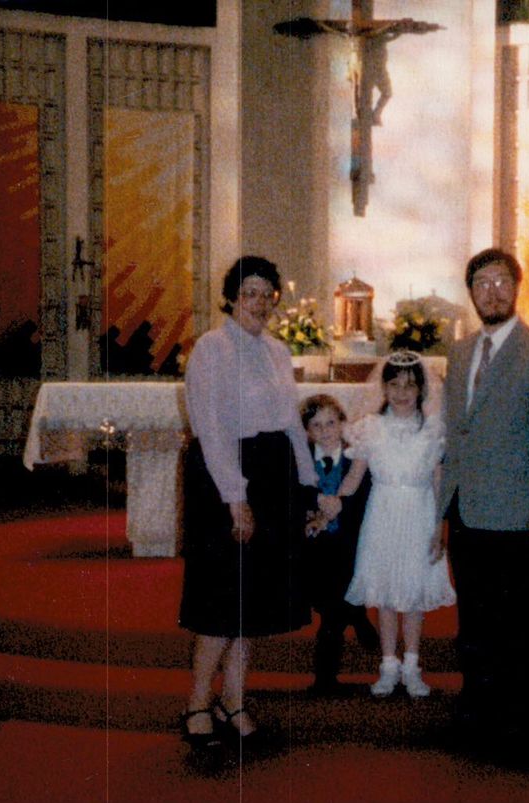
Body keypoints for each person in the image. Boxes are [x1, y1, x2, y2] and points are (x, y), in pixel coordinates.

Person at [438, 248, 529, 766]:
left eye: (501, 282)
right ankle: (477, 712)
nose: (491, 292)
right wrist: (440, 512)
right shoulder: (459, 352)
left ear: (516, 289)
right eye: (481, 283)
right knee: (473, 620)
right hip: (468, 510)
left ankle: (522, 724)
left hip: (518, 511)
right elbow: (457, 435)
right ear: (470, 292)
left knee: (517, 622)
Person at [178, 256, 317, 754]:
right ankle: (197, 702)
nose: (258, 302)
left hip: (272, 476)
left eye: (266, 294)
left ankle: (233, 701)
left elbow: (291, 426)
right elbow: (210, 429)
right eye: (249, 292)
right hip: (226, 478)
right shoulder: (211, 349)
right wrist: (235, 498)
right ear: (232, 296)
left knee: (250, 601)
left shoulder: (278, 351)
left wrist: (309, 488)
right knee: (222, 600)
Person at [324, 351, 456, 698]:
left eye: (409, 386)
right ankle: (388, 665)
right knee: (384, 594)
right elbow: (355, 476)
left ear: (421, 389)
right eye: (394, 385)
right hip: (382, 513)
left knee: (412, 593)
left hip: (419, 512)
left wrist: (439, 525)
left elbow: (439, 481)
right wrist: (333, 501)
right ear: (383, 387)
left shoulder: (433, 429)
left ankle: (412, 666)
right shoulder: (371, 427)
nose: (401, 393)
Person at [300, 394, 379, 695]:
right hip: (315, 545)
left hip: (348, 542)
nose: (325, 431)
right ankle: (357, 616)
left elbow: (363, 498)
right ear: (307, 430)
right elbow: (297, 493)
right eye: (316, 425)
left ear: (343, 424)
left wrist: (341, 507)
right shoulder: (302, 458)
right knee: (326, 601)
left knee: (332, 613)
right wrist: (310, 514)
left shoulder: (355, 457)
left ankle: (325, 677)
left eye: (331, 423)